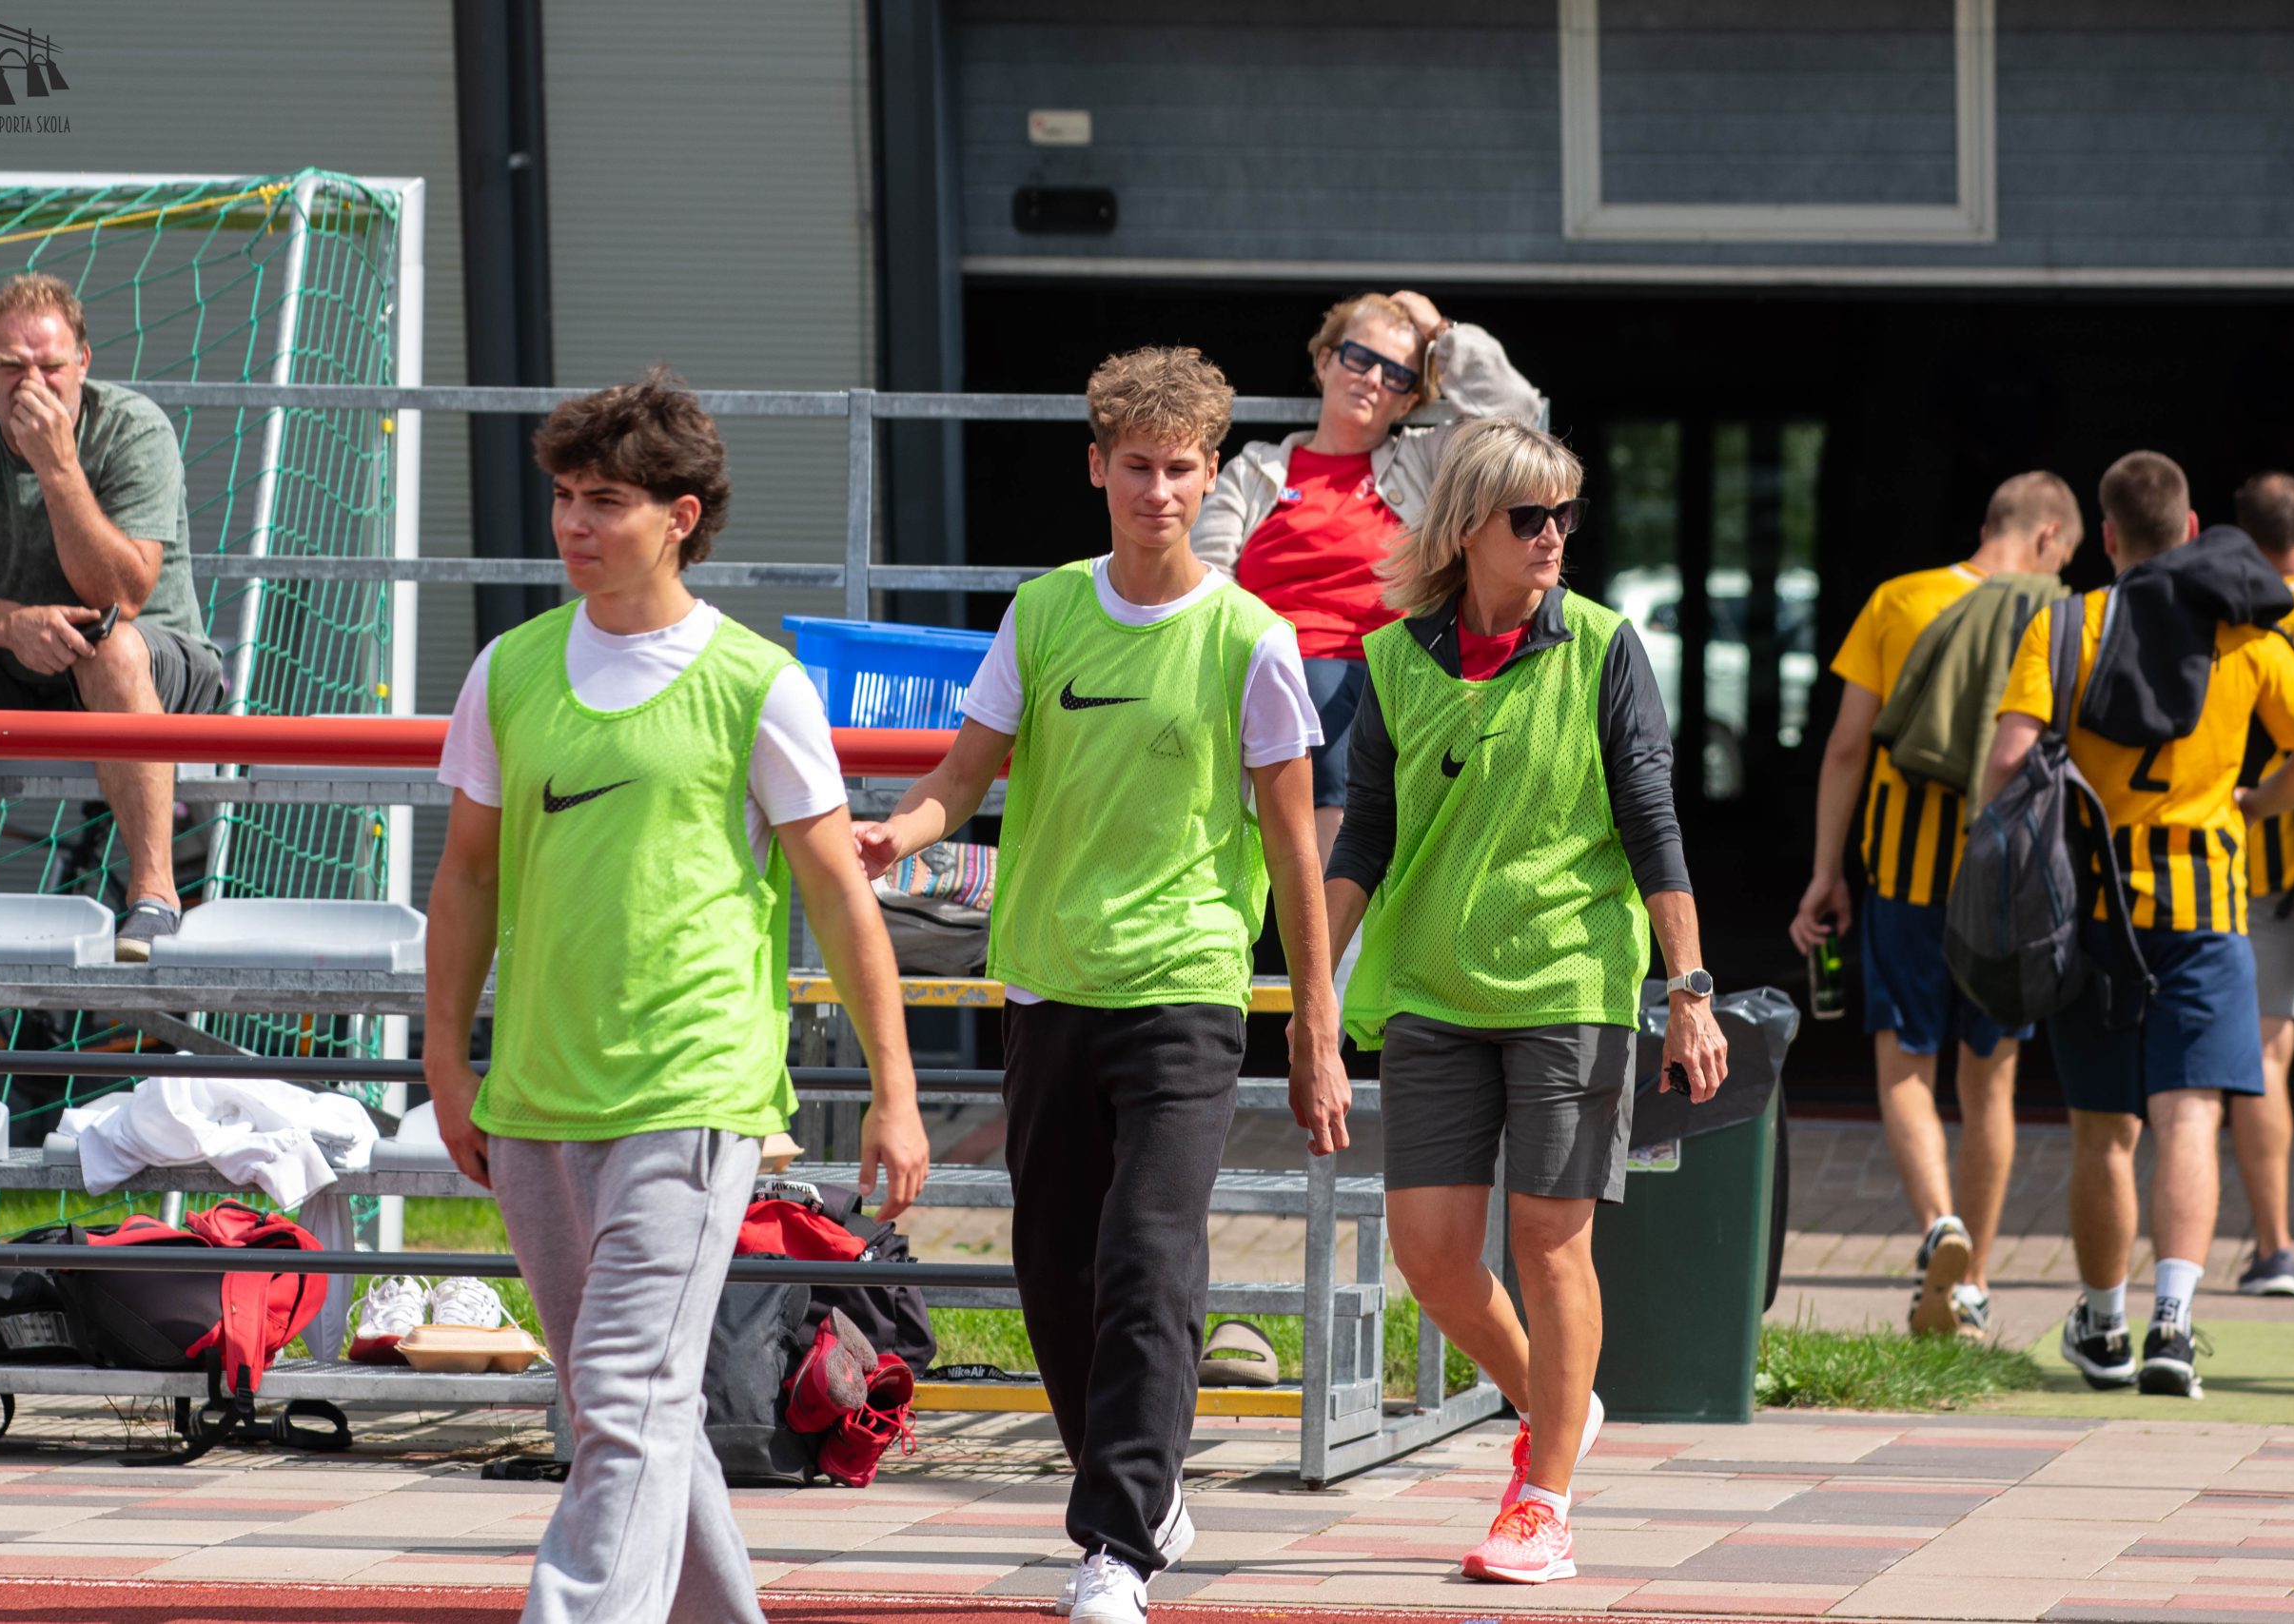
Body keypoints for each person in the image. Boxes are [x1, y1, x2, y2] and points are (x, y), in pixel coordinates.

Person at [423, 368, 929, 1624]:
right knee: (628, 1403)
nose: (573, 523)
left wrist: (895, 1089)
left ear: (681, 516)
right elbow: (469, 874)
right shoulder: (510, 670)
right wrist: (445, 1059)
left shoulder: (758, 683)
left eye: (605, 500)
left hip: (692, 1092)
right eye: (564, 496)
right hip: (537, 1095)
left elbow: (839, 895)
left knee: (623, 1391)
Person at [854, 346, 1344, 1624]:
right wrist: (898, 834)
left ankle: (1115, 1545)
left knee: (1147, 1259)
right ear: (1097, 469)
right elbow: (962, 777)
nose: (1159, 491)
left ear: (1210, 475)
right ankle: (1137, 1484)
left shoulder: (1251, 638)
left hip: (1184, 985)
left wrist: (1315, 1027)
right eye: (1137, 466)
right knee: (1054, 1267)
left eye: (1181, 468)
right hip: (1048, 984)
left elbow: (1295, 845)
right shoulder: (1043, 612)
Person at [1324, 418, 1728, 1585]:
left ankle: (1543, 1499)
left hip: (1567, 986)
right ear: (1466, 528)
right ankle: (1557, 1404)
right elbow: (1365, 837)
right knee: (1431, 1255)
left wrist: (1688, 987)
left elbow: (1652, 823)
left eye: (1564, 514)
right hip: (1431, 990)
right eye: (1528, 516)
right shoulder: (1392, 660)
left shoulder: (1602, 646)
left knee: (1551, 1245)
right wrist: (1308, 993)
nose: (1553, 535)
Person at [1981, 451, 2294, 1401]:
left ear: (2109, 535)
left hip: (2092, 913)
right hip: (2206, 908)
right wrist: (2256, 803)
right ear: (2192, 527)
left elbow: (2007, 760)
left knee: (2104, 1128)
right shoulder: (2244, 635)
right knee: (2190, 1116)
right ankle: (2174, 1322)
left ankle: (2104, 1324)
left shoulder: (2065, 625)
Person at [1787, 473, 2084, 1337]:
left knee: (1905, 1064)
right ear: (2047, 536)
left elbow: (1848, 746)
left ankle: (1937, 1225)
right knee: (1991, 1081)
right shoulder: (2066, 616)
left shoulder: (1899, 599)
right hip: (2011, 881)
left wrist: (1826, 868)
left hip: (1906, 874)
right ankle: (1974, 1280)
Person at [0, 271, 223, 959]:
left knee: (111, 647)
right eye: (12, 366)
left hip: (147, 659)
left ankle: (154, 896)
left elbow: (121, 593)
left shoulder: (133, 428)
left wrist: (58, 466)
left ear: (84, 363)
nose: (32, 384)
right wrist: (10, 625)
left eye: (51, 366)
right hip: (13, 657)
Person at [1191, 290, 1542, 866]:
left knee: (1335, 704)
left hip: (1389, 673)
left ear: (1409, 400)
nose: (1374, 380)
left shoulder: (1426, 462)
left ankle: (1329, 914)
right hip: (1267, 667)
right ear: (1325, 360)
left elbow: (1517, 418)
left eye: (1398, 374)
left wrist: (1441, 332)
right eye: (1359, 358)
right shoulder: (1254, 470)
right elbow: (1207, 582)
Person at [2231, 471, 2294, 1295]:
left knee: (2263, 1047)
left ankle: (2274, 1249)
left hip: (2266, 860)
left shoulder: (2242, 622)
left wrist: (2256, 804)